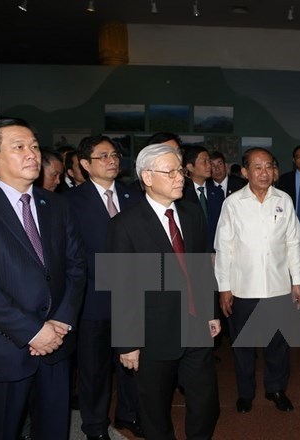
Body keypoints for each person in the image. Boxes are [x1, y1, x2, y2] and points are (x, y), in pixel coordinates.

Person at [0, 116, 86, 439]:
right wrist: (33, 331)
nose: (32, 154)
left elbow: (76, 267)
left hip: (56, 347)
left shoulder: (56, 205)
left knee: (54, 431)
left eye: (33, 146)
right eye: (19, 147)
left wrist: (61, 322)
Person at [107, 143, 220, 439]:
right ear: (147, 177)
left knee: (206, 403)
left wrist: (211, 313)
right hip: (153, 334)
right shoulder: (125, 225)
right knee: (154, 410)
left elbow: (201, 269)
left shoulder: (193, 214)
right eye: (169, 172)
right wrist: (127, 341)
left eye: (180, 170)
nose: (179, 178)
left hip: (196, 326)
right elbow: (121, 287)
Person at [214, 147, 300, 414]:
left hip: (278, 286)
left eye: (269, 166)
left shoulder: (284, 200)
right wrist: (224, 287)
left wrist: (297, 282)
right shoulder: (233, 203)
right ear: (244, 172)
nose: (264, 172)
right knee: (243, 346)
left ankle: (276, 389)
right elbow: (224, 248)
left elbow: (294, 244)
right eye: (257, 167)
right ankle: (245, 393)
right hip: (243, 288)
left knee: (278, 343)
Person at [65, 135, 142, 439]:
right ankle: (95, 426)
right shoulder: (69, 201)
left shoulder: (133, 197)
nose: (112, 160)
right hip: (92, 300)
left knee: (131, 364)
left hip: (132, 300)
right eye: (103, 156)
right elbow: (72, 254)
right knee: (94, 370)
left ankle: (128, 414)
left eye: (114, 154)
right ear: (85, 164)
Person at [183, 146, 224, 246]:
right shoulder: (181, 195)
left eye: (209, 161)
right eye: (204, 162)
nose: (209, 166)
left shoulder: (218, 192)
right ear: (190, 167)